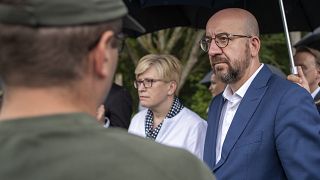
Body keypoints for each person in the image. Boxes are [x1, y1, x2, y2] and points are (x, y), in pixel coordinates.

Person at [0, 1, 216, 180]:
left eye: (149, 81)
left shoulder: (191, 129)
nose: (142, 87)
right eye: (117, 43)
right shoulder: (176, 170)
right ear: (102, 55)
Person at [200, 8, 320, 179]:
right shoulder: (216, 105)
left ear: (253, 45)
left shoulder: (289, 99)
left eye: (223, 39)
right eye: (208, 41)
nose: (212, 50)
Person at [128, 54, 207, 160]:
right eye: (139, 82)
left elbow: (198, 173)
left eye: (149, 81)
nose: (141, 88)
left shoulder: (194, 126)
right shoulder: (137, 120)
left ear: (171, 87)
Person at [287, 46, 320, 112]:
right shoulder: (288, 99)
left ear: (318, 73)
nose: (295, 72)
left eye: (302, 67)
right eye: (293, 67)